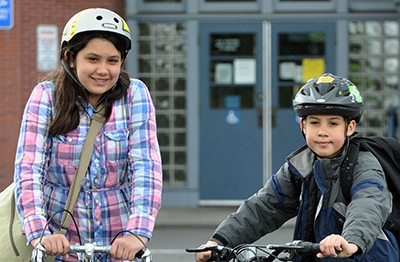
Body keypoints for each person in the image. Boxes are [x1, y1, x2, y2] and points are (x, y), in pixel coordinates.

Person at [195, 73, 399, 262]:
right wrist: (219, 241)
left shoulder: (364, 163)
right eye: (315, 122)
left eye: (333, 123)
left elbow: (369, 203)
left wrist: (351, 241)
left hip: (367, 255)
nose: (322, 132)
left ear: (350, 128)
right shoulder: (300, 167)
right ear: (303, 126)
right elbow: (264, 207)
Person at [13, 8, 162, 262]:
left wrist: (138, 233)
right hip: (59, 246)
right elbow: (29, 168)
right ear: (71, 58)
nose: (103, 70)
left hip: (119, 246)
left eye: (112, 61)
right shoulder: (46, 97)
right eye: (93, 59)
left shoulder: (135, 95)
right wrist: (40, 233)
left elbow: (146, 167)